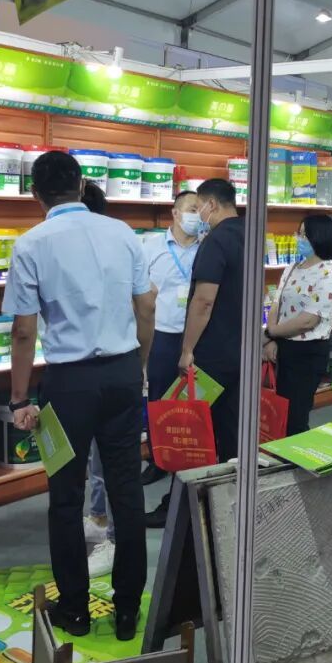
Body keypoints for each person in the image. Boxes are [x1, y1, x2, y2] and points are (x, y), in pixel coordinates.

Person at [4, 151, 154, 641]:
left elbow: (24, 331)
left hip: (68, 383)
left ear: (35, 194)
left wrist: (19, 399)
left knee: (65, 498)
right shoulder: (122, 232)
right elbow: (145, 306)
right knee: (127, 491)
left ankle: (75, 610)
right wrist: (140, 365)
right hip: (123, 372)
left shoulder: (31, 243)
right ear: (82, 183)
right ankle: (127, 610)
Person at [143, 191, 202, 527]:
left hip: (195, 335)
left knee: (191, 402)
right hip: (162, 334)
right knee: (158, 400)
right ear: (175, 213)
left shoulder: (207, 246)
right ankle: (158, 459)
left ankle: (185, 456)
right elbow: (141, 293)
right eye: (191, 209)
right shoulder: (151, 247)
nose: (196, 215)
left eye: (199, 209)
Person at [179, 179, 244, 461]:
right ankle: (235, 481)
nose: (198, 214)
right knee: (234, 427)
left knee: (202, 428)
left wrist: (187, 350)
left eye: (198, 207)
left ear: (212, 204)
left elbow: (204, 301)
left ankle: (206, 486)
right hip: (242, 348)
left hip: (214, 351)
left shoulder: (216, 241)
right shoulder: (252, 233)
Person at [263, 214, 332, 436]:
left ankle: (296, 455)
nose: (299, 238)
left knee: (296, 415)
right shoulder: (292, 268)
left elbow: (308, 320)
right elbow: (277, 302)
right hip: (283, 346)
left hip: (308, 352)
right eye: (299, 233)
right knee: (280, 410)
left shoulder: (328, 274)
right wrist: (272, 338)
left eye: (305, 235)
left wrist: (272, 332)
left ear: (319, 237)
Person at [78, 179, 117, 579]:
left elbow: (145, 304)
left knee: (110, 457)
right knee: (96, 454)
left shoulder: (113, 246)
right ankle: (99, 518)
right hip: (92, 364)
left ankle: (112, 539)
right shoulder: (117, 241)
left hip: (106, 363)